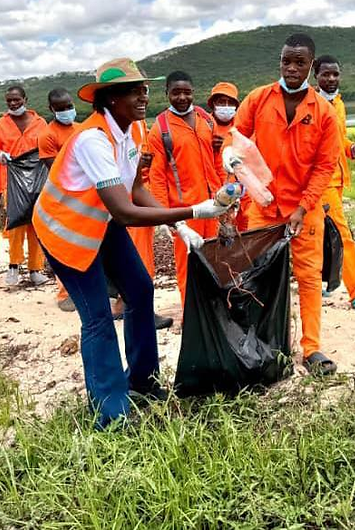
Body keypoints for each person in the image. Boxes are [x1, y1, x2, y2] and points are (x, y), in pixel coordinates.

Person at [32, 57, 230, 429]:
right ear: (109, 99)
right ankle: (111, 412)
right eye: (133, 90)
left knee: (140, 289)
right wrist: (191, 213)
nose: (143, 95)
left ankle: (143, 381)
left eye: (144, 88)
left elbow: (136, 186)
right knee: (98, 318)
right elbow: (124, 211)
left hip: (101, 223)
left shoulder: (135, 130)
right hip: (66, 234)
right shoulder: (92, 139)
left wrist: (177, 226)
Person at [226, 33, 341, 375]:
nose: (292, 68)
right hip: (263, 208)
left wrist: (303, 207)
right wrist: (232, 165)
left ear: (311, 65)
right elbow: (235, 141)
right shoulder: (259, 99)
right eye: (286, 61)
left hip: (304, 211)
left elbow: (324, 166)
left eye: (300, 63)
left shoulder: (323, 111)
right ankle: (265, 342)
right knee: (260, 277)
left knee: (307, 278)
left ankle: (312, 348)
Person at [147, 71, 224, 310]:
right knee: (187, 265)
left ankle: (215, 310)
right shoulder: (160, 129)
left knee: (215, 260)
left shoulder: (206, 119)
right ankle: (191, 313)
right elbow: (157, 176)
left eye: (187, 92)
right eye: (176, 92)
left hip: (212, 206)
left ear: (194, 92)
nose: (182, 97)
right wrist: (165, 217)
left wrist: (224, 192)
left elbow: (217, 160)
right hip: (184, 212)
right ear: (166, 94)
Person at [313, 54, 355, 313]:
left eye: (335, 74)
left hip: (339, 178)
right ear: (315, 76)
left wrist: (350, 148)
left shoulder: (338, 103)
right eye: (325, 74)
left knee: (319, 233)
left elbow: (338, 138)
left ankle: (324, 283)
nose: (331, 79)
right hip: (321, 182)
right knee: (341, 234)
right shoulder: (311, 104)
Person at [0, 85, 49, 287]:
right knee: (15, 224)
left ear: (25, 99)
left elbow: (47, 148)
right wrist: (0, 155)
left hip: (37, 181)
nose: (13, 104)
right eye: (9, 101)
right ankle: (14, 266)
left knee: (36, 225)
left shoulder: (40, 123)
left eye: (17, 100)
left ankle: (35, 269)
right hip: (12, 181)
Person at [39, 88, 80, 311]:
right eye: (61, 108)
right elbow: (56, 169)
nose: (67, 111)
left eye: (69, 106)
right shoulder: (47, 135)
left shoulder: (80, 129)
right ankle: (65, 293)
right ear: (51, 109)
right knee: (65, 247)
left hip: (84, 197)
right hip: (63, 197)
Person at [208, 81, 248, 231]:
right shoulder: (204, 125)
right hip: (215, 190)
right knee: (217, 233)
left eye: (229, 102)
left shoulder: (244, 125)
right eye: (221, 102)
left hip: (244, 189)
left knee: (246, 230)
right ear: (213, 105)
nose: (225, 106)